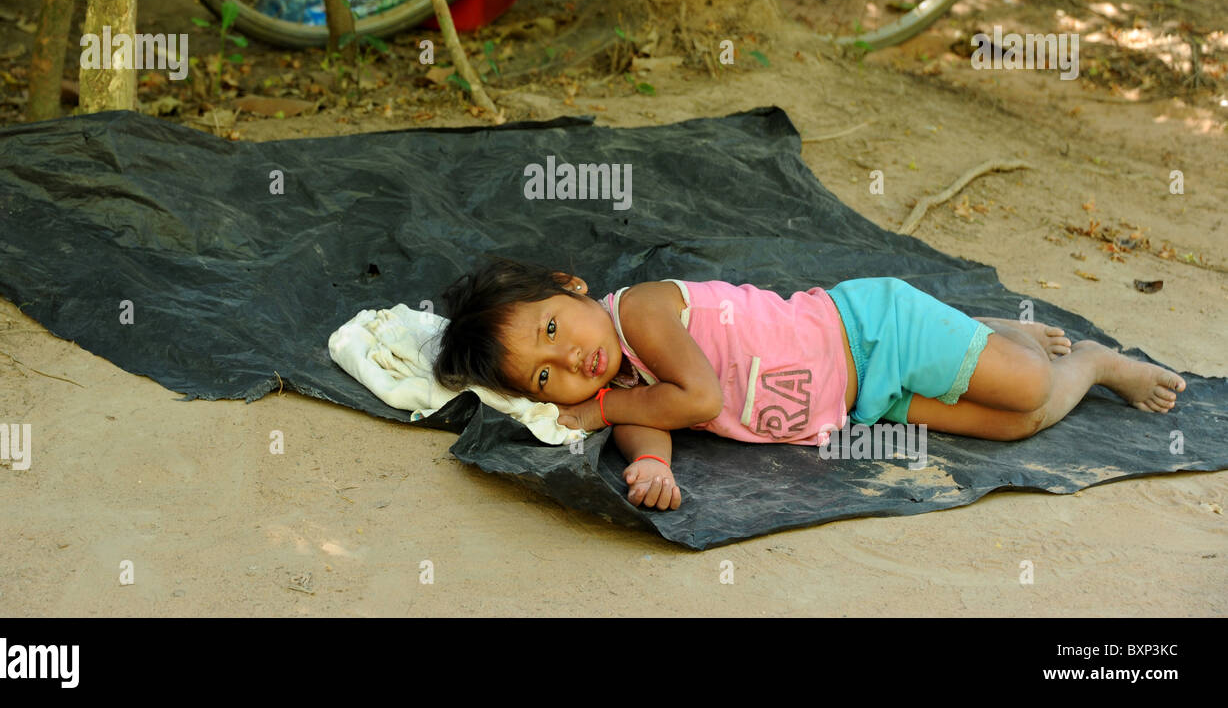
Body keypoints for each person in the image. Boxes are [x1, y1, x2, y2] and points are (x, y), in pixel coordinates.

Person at [432, 257, 1186, 512]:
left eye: (555, 332)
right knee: (1016, 426)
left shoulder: (641, 312)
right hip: (859, 403)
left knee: (1026, 388)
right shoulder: (625, 382)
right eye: (543, 376)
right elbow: (652, 413)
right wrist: (649, 460)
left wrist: (596, 409)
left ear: (571, 287)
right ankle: (988, 334)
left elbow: (692, 397)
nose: (571, 365)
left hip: (870, 327)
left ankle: (1092, 359)